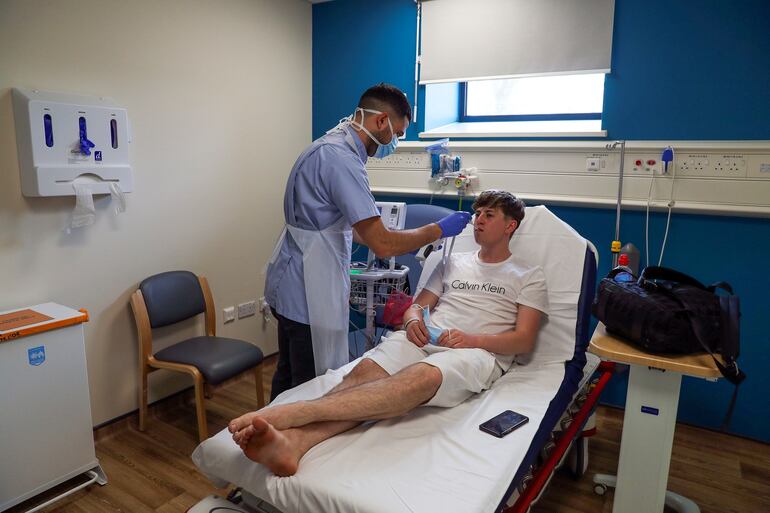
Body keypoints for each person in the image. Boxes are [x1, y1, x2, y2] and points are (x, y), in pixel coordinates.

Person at [233, 190, 548, 477]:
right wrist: (412, 322)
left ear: (511, 226)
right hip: (425, 338)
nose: (478, 220)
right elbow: (416, 306)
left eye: (488, 215)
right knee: (365, 373)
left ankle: (293, 414)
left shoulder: (528, 275)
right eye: (477, 213)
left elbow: (524, 339)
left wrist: (472, 340)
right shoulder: (452, 262)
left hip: (477, 353)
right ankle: (295, 443)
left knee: (420, 378)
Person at [263, 83, 471, 400]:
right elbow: (382, 245)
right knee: (306, 386)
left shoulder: (324, 146)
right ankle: (292, 443)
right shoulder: (342, 160)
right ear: (380, 121)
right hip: (308, 290)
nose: (395, 142)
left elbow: (346, 227)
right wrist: (437, 230)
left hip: (290, 281)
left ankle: (267, 433)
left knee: (289, 374)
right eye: (397, 134)